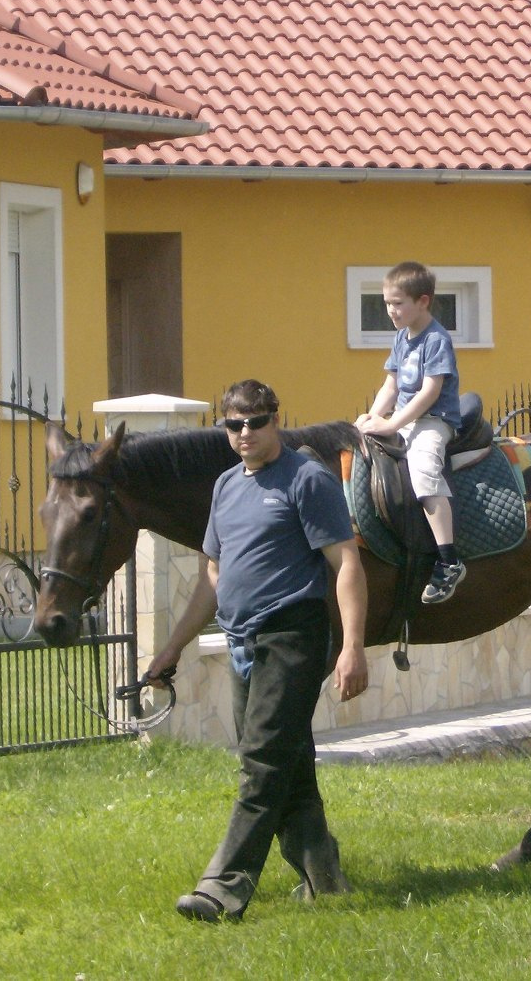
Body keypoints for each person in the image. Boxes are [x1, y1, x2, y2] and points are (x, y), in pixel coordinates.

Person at [145, 379, 368, 923]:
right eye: (233, 424)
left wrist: (353, 648)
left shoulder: (306, 479)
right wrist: (172, 648)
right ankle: (325, 877)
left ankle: (222, 888)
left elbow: (347, 565)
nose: (244, 433)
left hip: (292, 636)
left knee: (261, 761)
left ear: (276, 420)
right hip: (241, 640)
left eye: (256, 422)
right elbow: (212, 578)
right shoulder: (225, 486)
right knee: (286, 761)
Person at [354, 261, 466, 604]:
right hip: (405, 418)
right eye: (387, 302)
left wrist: (391, 424)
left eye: (398, 303)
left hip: (433, 420)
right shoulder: (402, 337)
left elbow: (429, 392)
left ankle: (449, 560)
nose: (391, 310)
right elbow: (391, 383)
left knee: (423, 471)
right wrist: (372, 416)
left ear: (423, 301)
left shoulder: (436, 339)